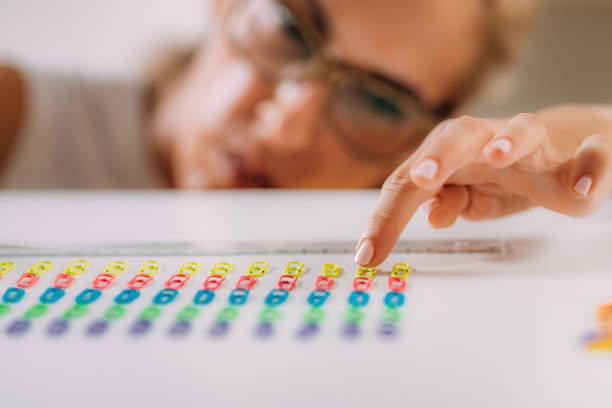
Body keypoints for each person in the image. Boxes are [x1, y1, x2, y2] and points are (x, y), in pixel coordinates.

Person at [0, 0, 611, 266]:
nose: (288, 131)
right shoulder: (16, 120)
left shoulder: (415, 219)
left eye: (376, 101)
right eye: (291, 29)